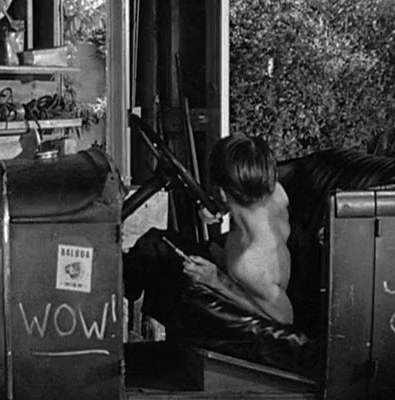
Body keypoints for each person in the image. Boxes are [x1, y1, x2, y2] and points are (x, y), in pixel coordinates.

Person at [125, 133, 293, 330]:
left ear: (222, 192)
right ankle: (127, 290)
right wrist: (221, 208)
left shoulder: (248, 263)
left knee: (154, 249)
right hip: (231, 260)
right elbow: (245, 200)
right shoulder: (276, 195)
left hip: (243, 313)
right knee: (158, 243)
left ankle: (116, 294)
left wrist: (217, 281)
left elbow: (285, 317)